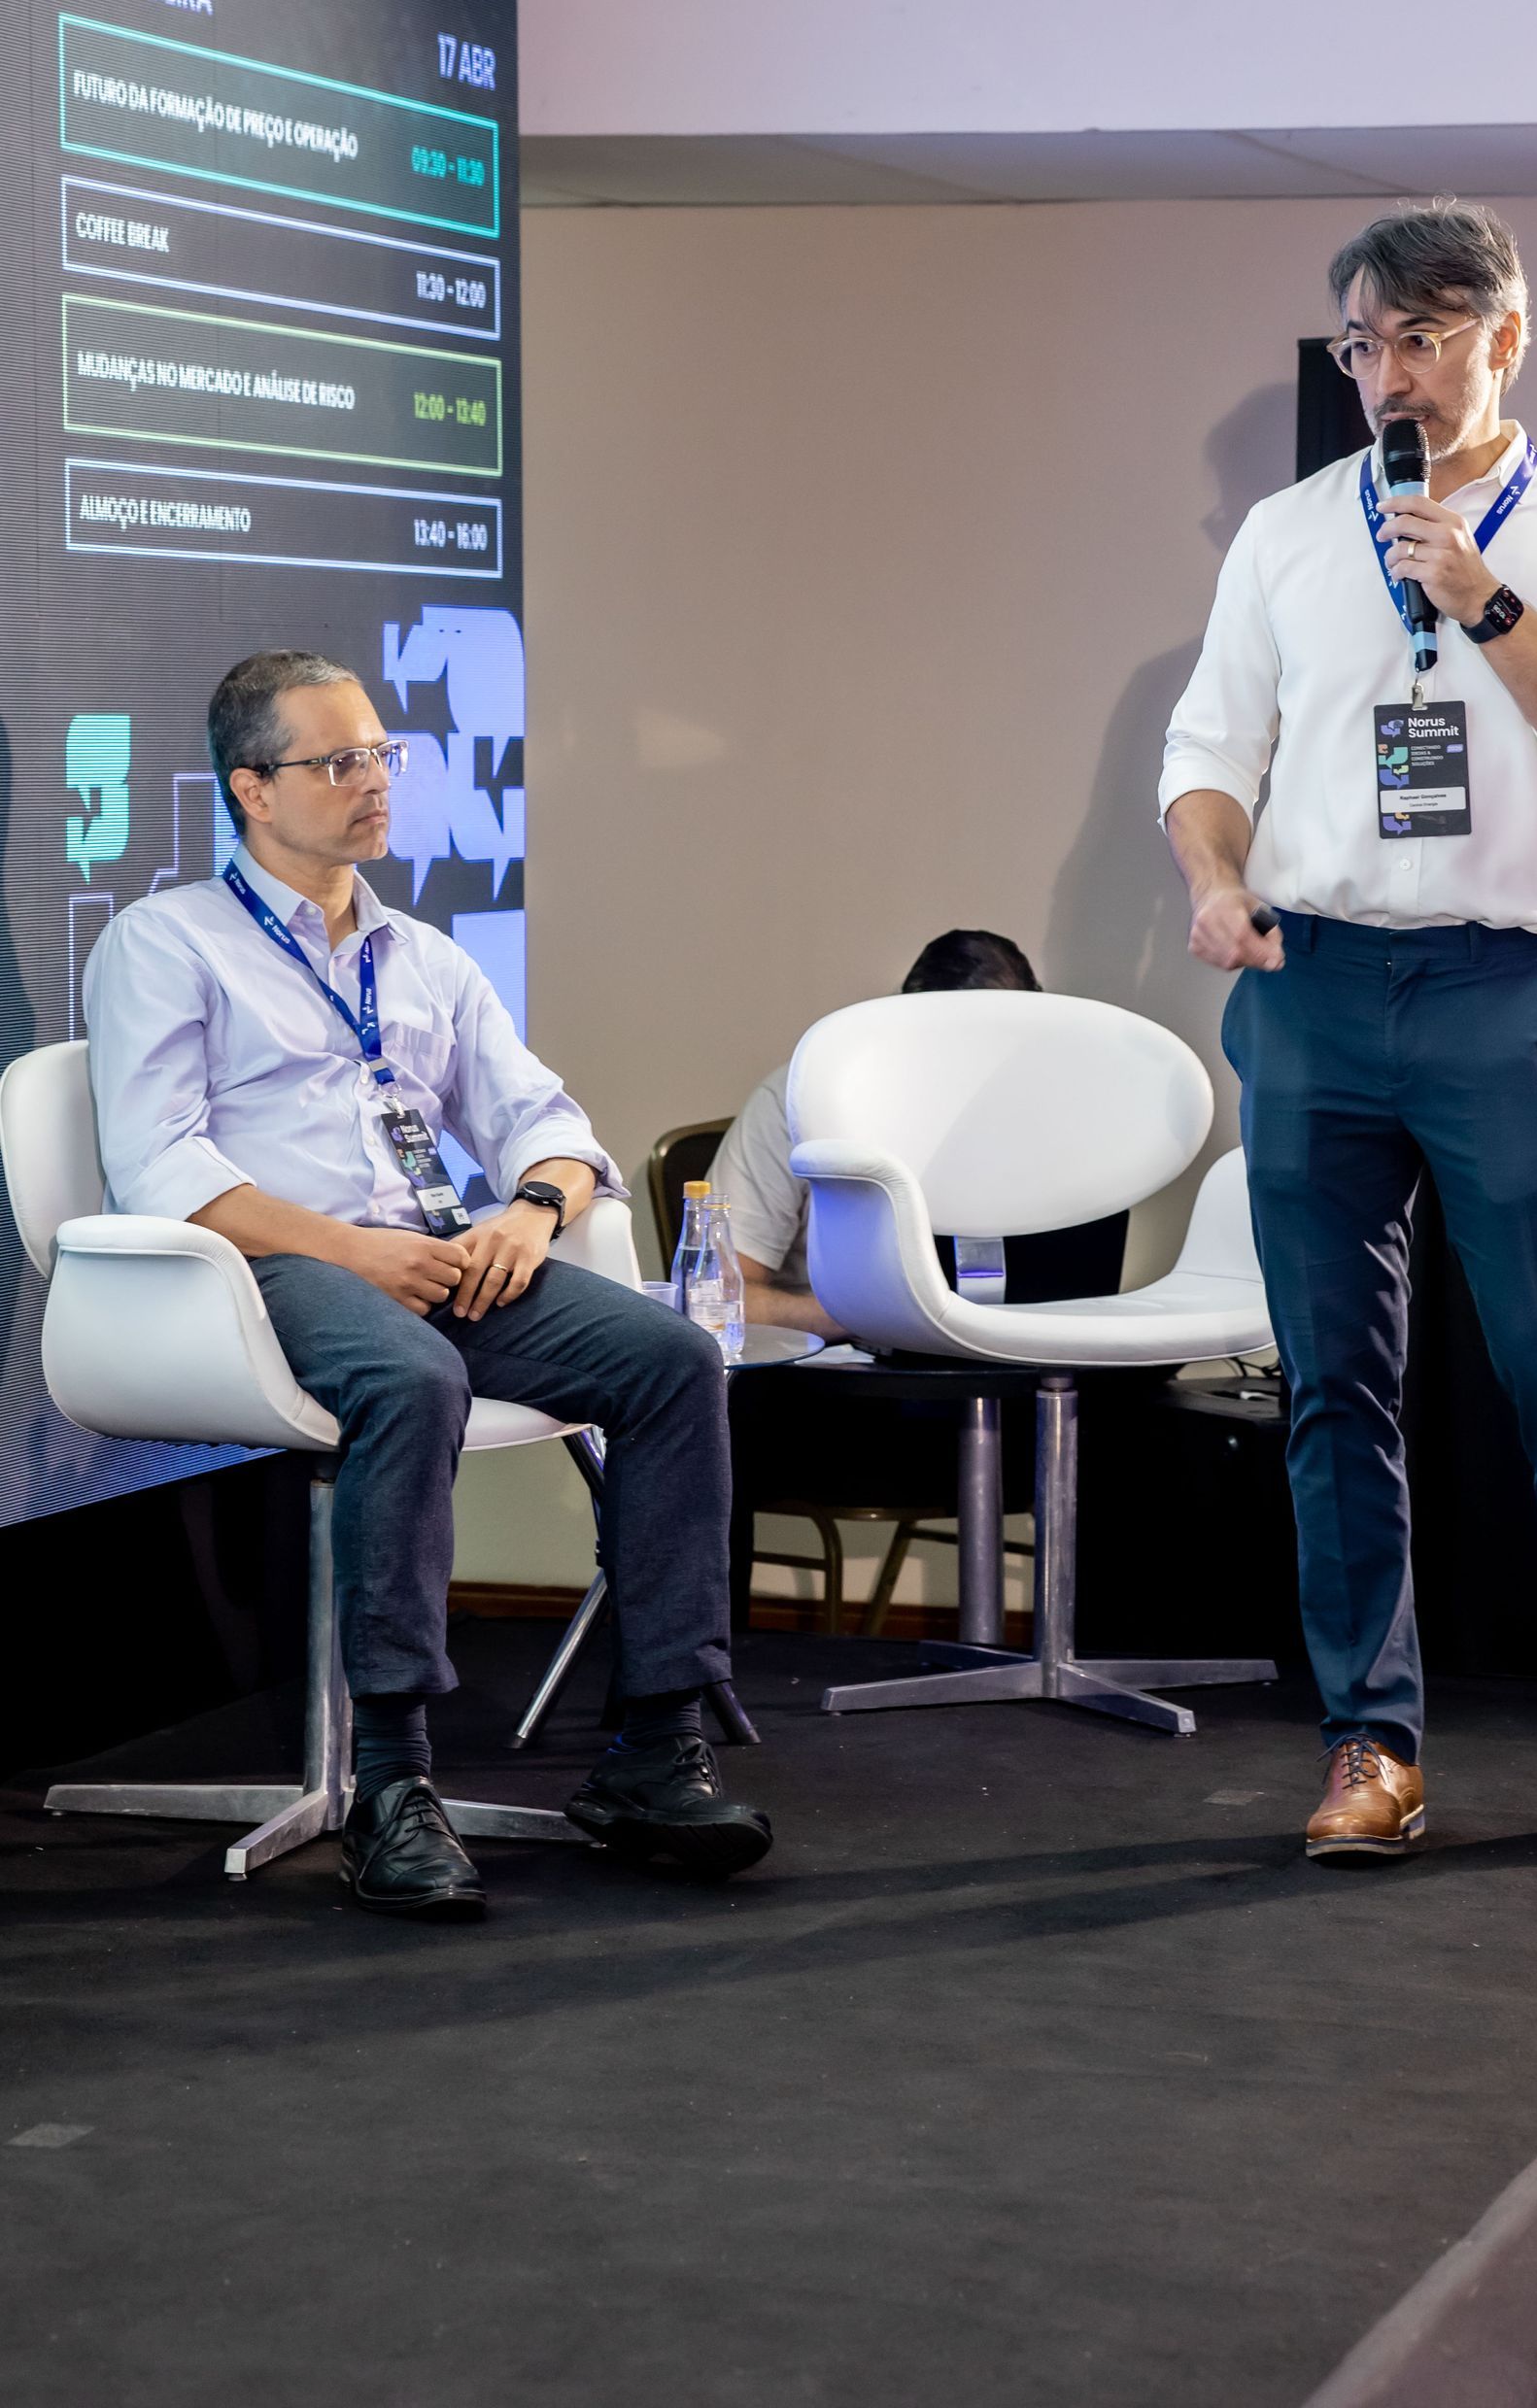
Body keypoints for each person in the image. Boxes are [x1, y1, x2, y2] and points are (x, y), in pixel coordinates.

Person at [1161, 201, 1537, 1870]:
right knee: (1333, 1388)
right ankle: (1369, 1744)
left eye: (1422, 341)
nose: (1389, 378)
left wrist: (1484, 599)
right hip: (1309, 987)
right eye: (1363, 347)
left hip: (1491, 989)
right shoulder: (1287, 533)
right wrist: (1215, 880)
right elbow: (1208, 749)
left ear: (1504, 339)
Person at [85, 650, 773, 1920]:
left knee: (672, 1358)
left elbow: (548, 1125)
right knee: (412, 1378)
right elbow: (160, 1168)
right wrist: (358, 1253)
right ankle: (394, 1783)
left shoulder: (423, 958)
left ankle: (655, 1745)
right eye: (338, 761)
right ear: (251, 789)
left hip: (434, 1253)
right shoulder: (167, 943)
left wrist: (532, 1209)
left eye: (383, 755)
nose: (375, 782)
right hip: (262, 1274)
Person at [715, 929, 1041, 1340]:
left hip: (1027, 1345)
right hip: (844, 1357)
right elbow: (720, 1297)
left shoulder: (1053, 1108)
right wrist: (869, 1317)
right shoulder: (799, 1098)